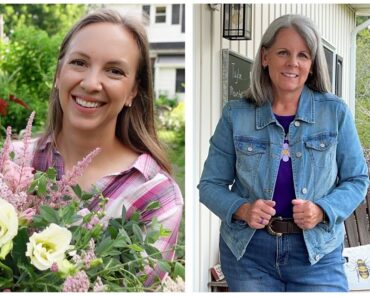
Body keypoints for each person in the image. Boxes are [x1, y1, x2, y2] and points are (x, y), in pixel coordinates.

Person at [198, 14, 369, 292]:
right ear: (265, 57)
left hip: (317, 253)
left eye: (303, 55)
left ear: (312, 65)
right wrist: (242, 209)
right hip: (248, 255)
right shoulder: (235, 115)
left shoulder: (335, 112)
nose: (293, 63)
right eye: (283, 52)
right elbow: (210, 185)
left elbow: (357, 179)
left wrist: (323, 210)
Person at [20, 8, 183, 286]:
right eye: (79, 63)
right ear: (59, 74)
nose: (91, 83)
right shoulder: (13, 164)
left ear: (133, 91)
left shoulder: (155, 196)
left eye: (114, 71)